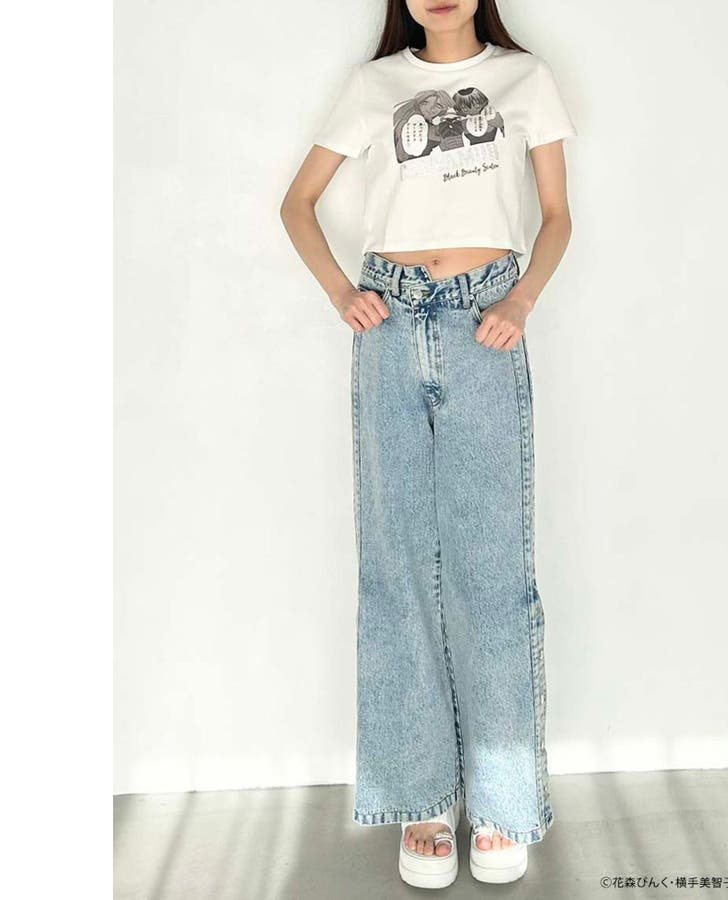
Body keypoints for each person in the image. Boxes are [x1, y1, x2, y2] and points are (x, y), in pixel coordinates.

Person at [280, 0, 576, 888]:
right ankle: (422, 798)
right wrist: (343, 293)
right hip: (389, 321)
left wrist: (521, 299)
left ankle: (503, 802)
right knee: (395, 565)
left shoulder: (523, 79)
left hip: (486, 320)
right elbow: (297, 204)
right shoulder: (374, 86)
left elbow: (557, 215)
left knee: (493, 570)